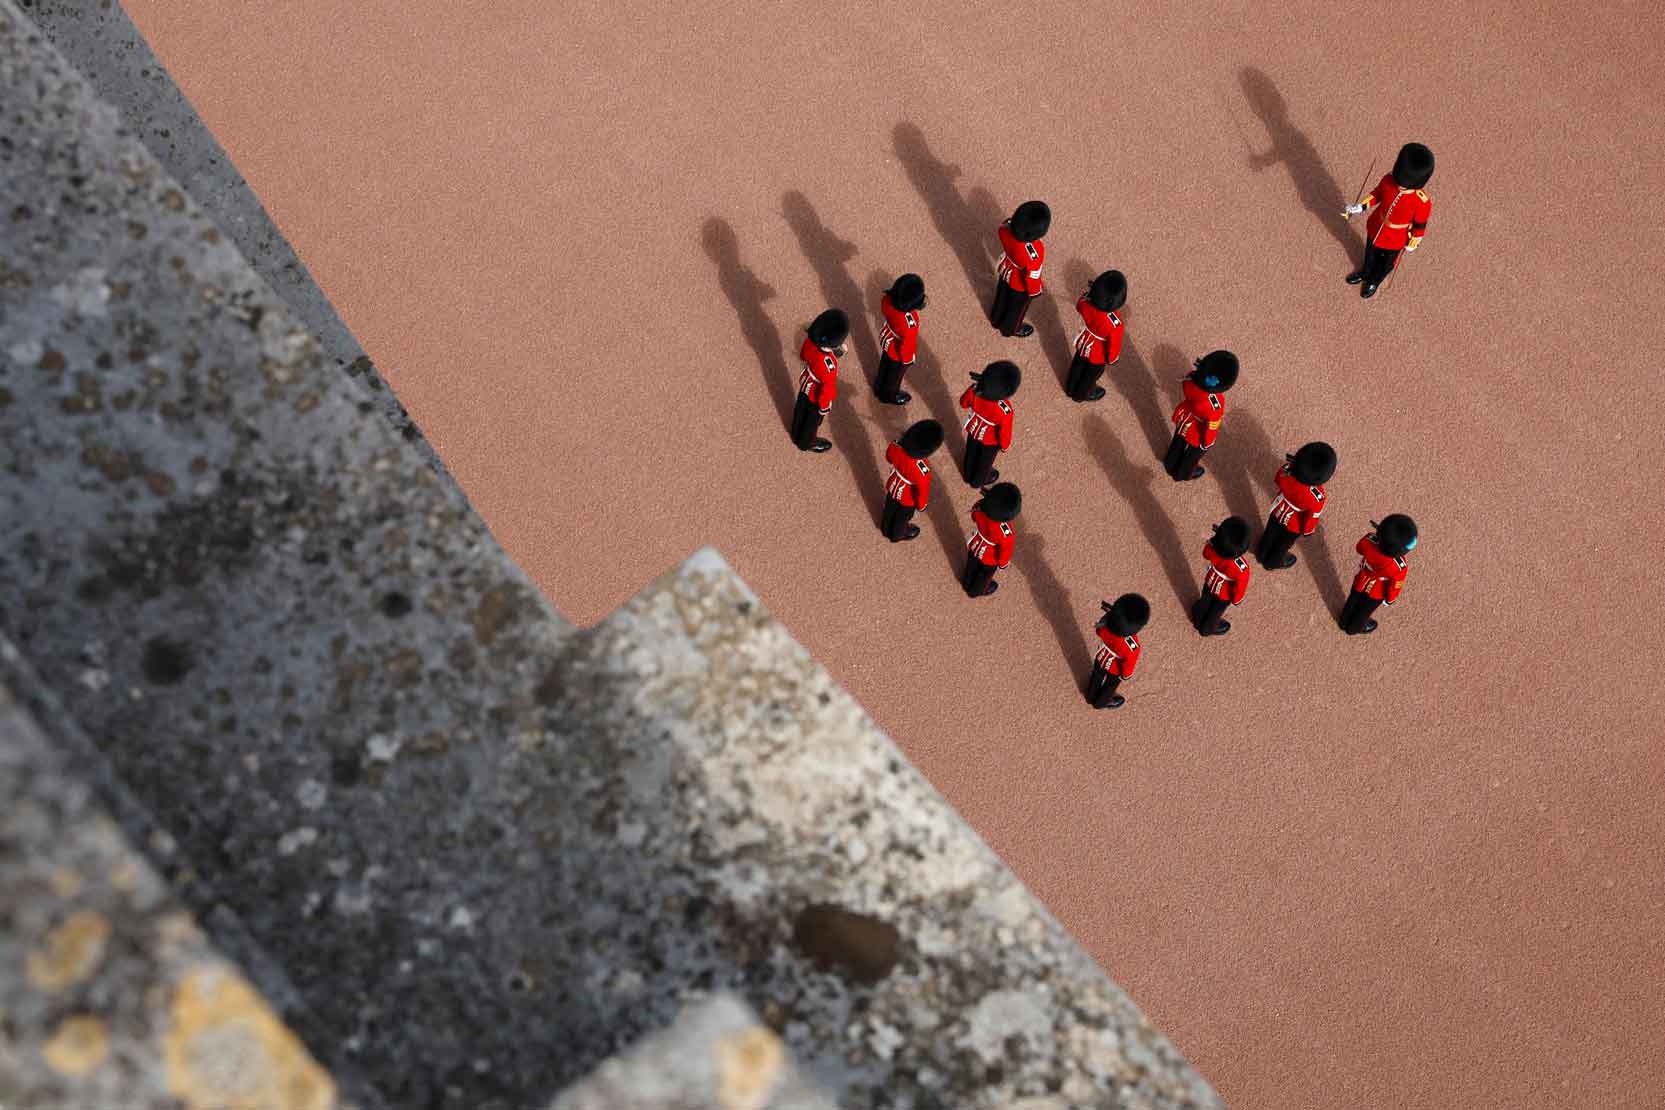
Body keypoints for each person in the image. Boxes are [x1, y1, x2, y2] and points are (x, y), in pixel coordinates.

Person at [1343, 142, 1434, 299]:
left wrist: (1413, 242)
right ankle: (1365, 272)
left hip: (1396, 239)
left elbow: (1420, 225)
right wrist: (1361, 207)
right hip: (1376, 226)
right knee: (1370, 254)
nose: (1400, 185)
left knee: (1385, 265)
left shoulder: (1422, 202)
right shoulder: (1389, 180)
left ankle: (1374, 281)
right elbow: (1377, 194)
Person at [1254, 442, 1336, 570]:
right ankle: (1271, 563)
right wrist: (1307, 531)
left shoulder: (1287, 470)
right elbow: (1311, 518)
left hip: (1278, 509)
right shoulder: (1317, 497)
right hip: (1294, 524)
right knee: (1282, 545)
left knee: (1270, 532)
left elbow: (1278, 479)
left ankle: (1261, 552)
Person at [1163, 350, 1239, 481]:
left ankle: (1170, 463)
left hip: (1185, 417)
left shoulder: (1190, 380)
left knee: (1178, 441)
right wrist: (1207, 443)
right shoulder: (1215, 403)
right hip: (1197, 431)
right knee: (1192, 457)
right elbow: (1211, 426)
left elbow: (1191, 378)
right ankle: (1182, 474)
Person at [1341, 514, 1418, 634]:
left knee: (1353, 599)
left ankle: (1344, 621)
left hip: (1361, 579)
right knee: (1364, 611)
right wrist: (1390, 600)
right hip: (1376, 591)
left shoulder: (1368, 539)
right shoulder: (1399, 566)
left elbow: (1359, 549)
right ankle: (1353, 628)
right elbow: (1395, 586)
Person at [791, 309, 849, 452]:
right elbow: (827, 389)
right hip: (816, 394)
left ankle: (795, 432)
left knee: (800, 409)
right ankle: (806, 443)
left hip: (806, 383)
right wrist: (824, 407)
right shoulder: (830, 365)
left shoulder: (810, 342)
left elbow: (804, 355)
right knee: (812, 422)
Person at [1065, 270, 1127, 402]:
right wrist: (1112, 359)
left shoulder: (1086, 302)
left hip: (1084, 341)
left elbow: (1079, 305)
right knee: (1090, 377)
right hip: (1098, 353)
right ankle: (1080, 395)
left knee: (1077, 365)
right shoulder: (1115, 323)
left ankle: (1070, 388)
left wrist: (1092, 295)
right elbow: (1113, 346)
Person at [991, 200, 1050, 337]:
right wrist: (1034, 291)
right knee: (1016, 311)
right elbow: (1032, 276)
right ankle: (1010, 329)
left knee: (1002, 294)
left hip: (1006, 269)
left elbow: (1006, 224)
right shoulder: (1035, 252)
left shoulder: (1004, 230)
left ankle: (996, 318)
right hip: (1020, 284)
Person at [959, 360, 1020, 486]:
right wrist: (1004, 446)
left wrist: (974, 387)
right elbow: (1004, 433)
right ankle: (977, 481)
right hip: (990, 441)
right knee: (984, 463)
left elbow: (963, 403)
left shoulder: (976, 391)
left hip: (973, 430)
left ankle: (967, 474)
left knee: (970, 453)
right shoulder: (1004, 410)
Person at [880, 419, 943, 542]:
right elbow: (922, 492)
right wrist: (921, 506)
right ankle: (897, 535)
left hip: (894, 484)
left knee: (889, 506)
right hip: (907, 498)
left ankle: (885, 527)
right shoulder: (922, 470)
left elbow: (889, 457)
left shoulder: (896, 446)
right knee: (902, 518)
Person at [1087, 594, 1149, 709]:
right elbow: (1128, 664)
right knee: (1109, 686)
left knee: (1096, 675)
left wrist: (1110, 618)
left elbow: (1099, 631)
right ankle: (1100, 703)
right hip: (1114, 669)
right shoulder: (1132, 645)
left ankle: (1090, 696)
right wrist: (1125, 676)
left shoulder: (1106, 624)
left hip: (1101, 657)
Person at [1193, 517, 1253, 636]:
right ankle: (1206, 629)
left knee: (1205, 599)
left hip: (1210, 581)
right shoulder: (1241, 568)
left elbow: (1206, 554)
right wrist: (1236, 600)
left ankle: (1198, 615)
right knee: (1215, 612)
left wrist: (1215, 540)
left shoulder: (1212, 547)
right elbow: (1239, 587)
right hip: (1224, 594)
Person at [874, 273, 926, 405]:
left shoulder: (886, 300)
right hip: (898, 352)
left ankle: (878, 386)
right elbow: (907, 346)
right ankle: (889, 395)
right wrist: (907, 361)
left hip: (888, 338)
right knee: (894, 377)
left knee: (884, 364)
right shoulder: (910, 323)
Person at [962, 482, 1021, 597]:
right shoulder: (1005, 532)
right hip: (990, 558)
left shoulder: (980, 506)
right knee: (983, 576)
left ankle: (967, 582)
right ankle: (975, 591)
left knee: (971, 564)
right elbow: (1005, 551)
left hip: (975, 544)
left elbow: (974, 516)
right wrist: (1002, 564)